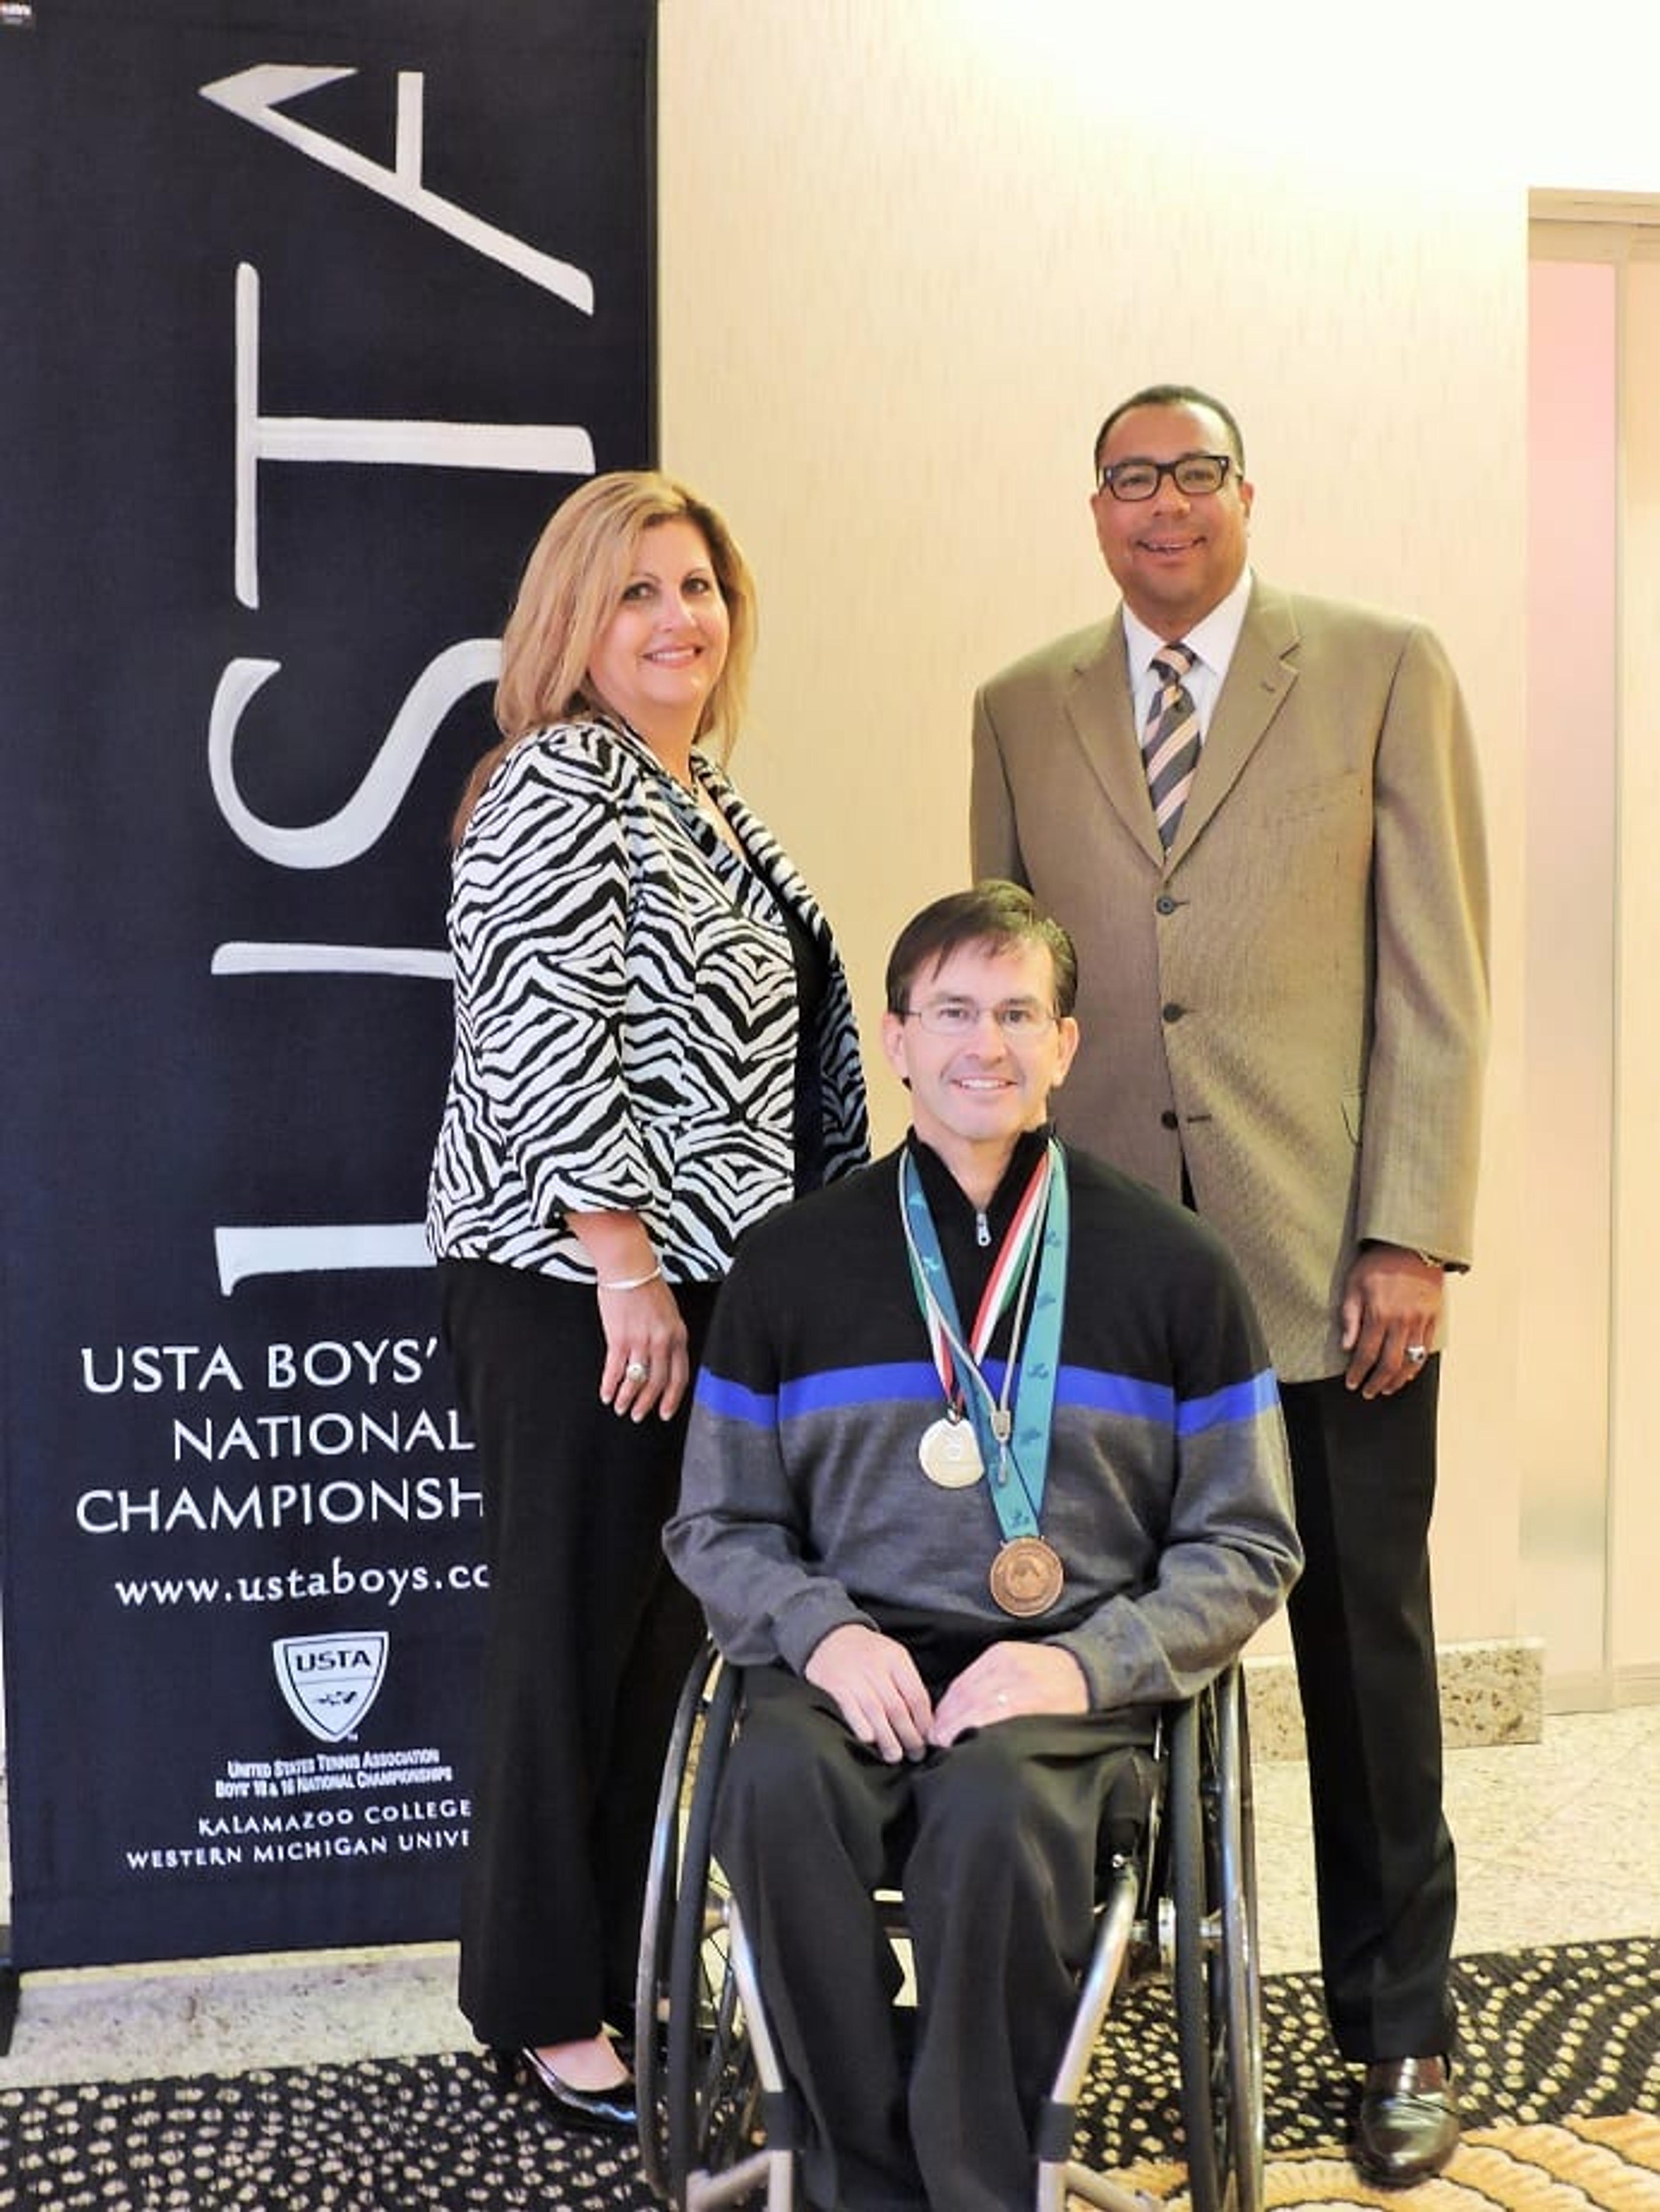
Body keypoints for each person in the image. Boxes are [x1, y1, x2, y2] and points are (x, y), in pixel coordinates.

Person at [970, 384, 1490, 2187]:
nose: (1164, 504)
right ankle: (1092, 1968)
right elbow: (1005, 1001)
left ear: (1247, 494)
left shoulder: (1379, 669)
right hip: (1101, 1289)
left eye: (1195, 473)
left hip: (1331, 1268)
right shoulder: (1019, 707)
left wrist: (1411, 1226)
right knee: (1081, 1637)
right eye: (1130, 477)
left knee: (1367, 1655)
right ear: (1093, 506)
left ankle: (1401, 2025)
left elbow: (1438, 974)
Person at [665, 881, 1301, 2212]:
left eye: (1019, 1012)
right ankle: (859, 2177)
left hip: (1069, 1686)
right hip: (842, 1661)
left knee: (999, 1810)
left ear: (1067, 1046)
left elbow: (1246, 1540)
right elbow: (716, 1524)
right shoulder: (785, 1267)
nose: (985, 1045)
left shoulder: (1179, 1270)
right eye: (953, 1010)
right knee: (769, 1789)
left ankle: (976, 2184)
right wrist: (821, 1630)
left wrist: (1085, 1665)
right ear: (896, 1039)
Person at [427, 470, 869, 2132]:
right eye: (636, 593)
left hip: (698, 1288)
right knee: (570, 1640)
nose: (679, 618)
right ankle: (540, 2003)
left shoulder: (706, 797)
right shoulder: (555, 781)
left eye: (698, 585)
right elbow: (545, 1035)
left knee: (656, 1645)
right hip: (575, 1289)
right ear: (572, 624)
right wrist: (625, 1265)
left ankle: (614, 1970)